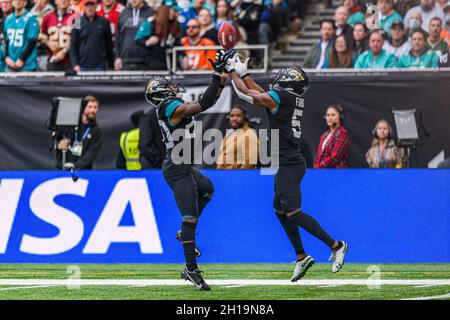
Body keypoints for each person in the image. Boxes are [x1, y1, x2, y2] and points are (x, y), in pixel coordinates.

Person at [227, 58, 348, 281]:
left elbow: (249, 94)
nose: (280, 78)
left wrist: (232, 72)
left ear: (290, 83)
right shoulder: (288, 97)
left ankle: (336, 245)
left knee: (293, 213)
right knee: (280, 210)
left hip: (289, 164)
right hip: (287, 162)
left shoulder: (282, 96)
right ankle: (301, 255)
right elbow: (259, 92)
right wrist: (243, 75)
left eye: (285, 76)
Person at [144, 50, 231, 291]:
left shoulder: (170, 105)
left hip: (183, 164)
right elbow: (205, 103)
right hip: (176, 167)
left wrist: (221, 78)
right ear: (162, 93)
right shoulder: (169, 106)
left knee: (207, 190)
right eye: (168, 86)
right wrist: (216, 75)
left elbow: (210, 100)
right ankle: (191, 269)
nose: (173, 88)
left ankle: (185, 235)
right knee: (189, 217)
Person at [55, 96, 103, 170]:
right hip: (62, 169)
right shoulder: (69, 124)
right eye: (90, 107)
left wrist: (74, 166)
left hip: (82, 172)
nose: (92, 110)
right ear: (83, 107)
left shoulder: (96, 131)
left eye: (95, 107)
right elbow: (52, 141)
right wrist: (58, 145)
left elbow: (91, 155)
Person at [70, 0, 114, 72]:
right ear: (84, 7)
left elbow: (109, 45)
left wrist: (110, 65)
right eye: (87, 5)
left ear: (96, 6)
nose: (90, 8)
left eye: (92, 5)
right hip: (82, 66)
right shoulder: (77, 22)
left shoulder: (104, 22)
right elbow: (73, 46)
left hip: (100, 66)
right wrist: (75, 64)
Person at [134, 4, 181, 70]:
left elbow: (178, 44)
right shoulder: (151, 22)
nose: (176, 13)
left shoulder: (176, 24)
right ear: (165, 10)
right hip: (152, 62)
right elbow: (137, 39)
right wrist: (147, 42)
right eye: (174, 10)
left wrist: (183, 56)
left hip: (170, 62)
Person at [114, 0, 154, 71]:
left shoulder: (151, 12)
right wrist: (117, 57)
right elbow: (118, 38)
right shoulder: (123, 13)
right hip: (125, 61)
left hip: (146, 61)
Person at [217, 105, 259, 169]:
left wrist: (238, 177)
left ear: (245, 117)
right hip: (224, 176)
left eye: (238, 116)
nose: (234, 118)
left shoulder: (250, 134)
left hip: (237, 177)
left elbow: (249, 160)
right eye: (232, 116)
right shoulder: (229, 134)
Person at [4, 0, 40, 72]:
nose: (18, 2)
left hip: (27, 66)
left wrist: (22, 59)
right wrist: (7, 56)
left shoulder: (31, 19)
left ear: (25, 2)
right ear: (12, 2)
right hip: (11, 64)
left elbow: (32, 42)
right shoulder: (8, 19)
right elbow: (7, 41)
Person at [40, 0, 74, 71]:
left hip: (70, 61)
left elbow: (79, 39)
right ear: (55, 1)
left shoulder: (75, 16)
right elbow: (42, 35)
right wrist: (48, 43)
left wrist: (65, 50)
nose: (63, 1)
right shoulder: (48, 17)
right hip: (53, 60)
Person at [313, 104, 350, 168]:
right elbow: (318, 156)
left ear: (340, 117)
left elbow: (335, 158)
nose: (330, 117)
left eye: (333, 115)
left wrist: (318, 167)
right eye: (328, 115)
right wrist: (315, 167)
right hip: (321, 172)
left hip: (337, 173)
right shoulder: (324, 135)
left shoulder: (343, 133)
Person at [138, 105, 166, 169]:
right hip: (156, 165)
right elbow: (145, 144)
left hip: (161, 165)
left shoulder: (149, 115)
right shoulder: (150, 115)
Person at [0, 0, 13, 72]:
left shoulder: (17, 19)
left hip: (11, 57)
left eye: (7, 2)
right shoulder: (1, 20)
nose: (4, 5)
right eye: (3, 2)